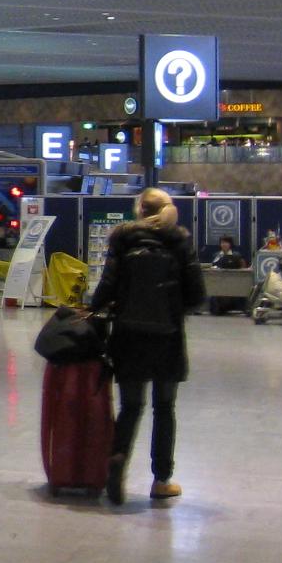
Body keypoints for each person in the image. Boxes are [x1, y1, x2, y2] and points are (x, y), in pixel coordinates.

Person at [90, 187, 205, 505]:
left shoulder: (123, 239)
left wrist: (92, 307)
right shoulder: (178, 241)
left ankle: (117, 459)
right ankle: (161, 480)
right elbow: (197, 295)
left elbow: (107, 285)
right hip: (167, 338)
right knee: (164, 408)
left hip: (128, 336)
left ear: (139, 210)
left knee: (130, 407)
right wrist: (174, 305)